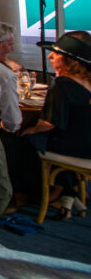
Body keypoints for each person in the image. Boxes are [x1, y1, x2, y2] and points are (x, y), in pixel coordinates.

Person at [24, 32, 91, 218]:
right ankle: (70, 193)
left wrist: (29, 129)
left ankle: (41, 194)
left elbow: (49, 123)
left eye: (56, 54)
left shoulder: (63, 85)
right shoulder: (86, 81)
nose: (49, 56)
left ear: (72, 62)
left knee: (24, 140)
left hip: (76, 150)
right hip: (86, 146)